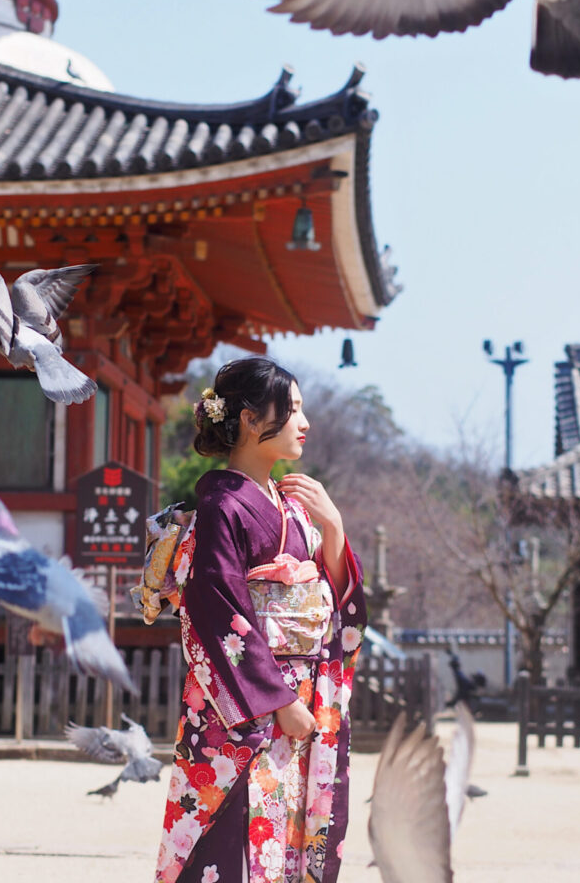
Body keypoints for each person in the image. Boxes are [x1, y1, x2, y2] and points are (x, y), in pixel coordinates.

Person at [155, 357, 366, 883]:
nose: (305, 422)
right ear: (250, 420)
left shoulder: (293, 504)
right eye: (291, 408)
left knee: (286, 841)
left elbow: (333, 599)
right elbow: (214, 611)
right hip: (245, 710)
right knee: (230, 846)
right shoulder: (222, 507)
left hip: (297, 700)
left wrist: (334, 529)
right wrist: (278, 700)